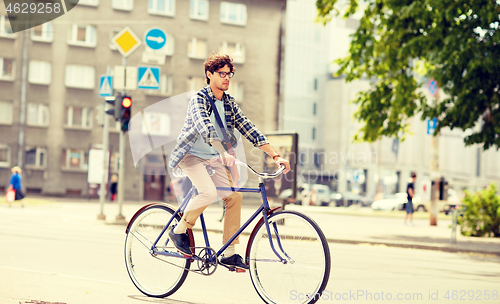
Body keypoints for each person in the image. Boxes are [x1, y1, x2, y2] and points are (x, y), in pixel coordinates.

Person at [168, 53, 290, 270]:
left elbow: (249, 128)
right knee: (207, 192)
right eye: (221, 73)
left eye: (229, 74)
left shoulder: (229, 103)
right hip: (191, 155)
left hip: (213, 156)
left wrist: (275, 155)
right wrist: (222, 150)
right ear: (209, 74)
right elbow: (205, 125)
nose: (226, 78)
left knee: (234, 197)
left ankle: (229, 252)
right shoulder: (199, 98)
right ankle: (179, 230)